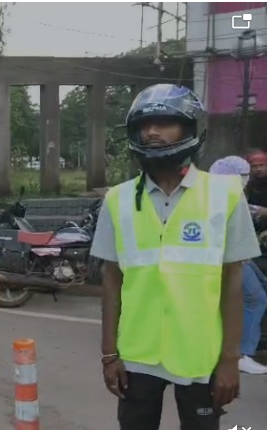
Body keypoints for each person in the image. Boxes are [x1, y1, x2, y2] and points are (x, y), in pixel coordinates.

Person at [90, 84, 261, 430]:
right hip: (137, 356)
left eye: (165, 122)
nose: (152, 132)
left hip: (200, 355)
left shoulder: (225, 196)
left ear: (190, 127)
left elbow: (233, 284)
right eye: (145, 125)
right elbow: (111, 281)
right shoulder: (118, 200)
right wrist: (109, 354)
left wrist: (230, 359)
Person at [209, 155, 267, 375]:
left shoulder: (220, 193)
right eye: (243, 176)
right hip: (229, 258)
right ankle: (242, 353)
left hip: (240, 255)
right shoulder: (222, 195)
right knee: (256, 299)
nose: (246, 180)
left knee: (260, 292)